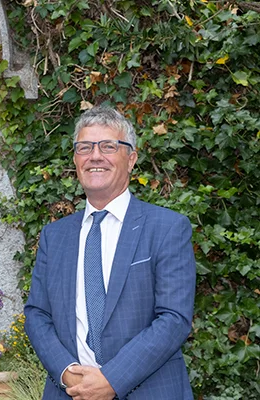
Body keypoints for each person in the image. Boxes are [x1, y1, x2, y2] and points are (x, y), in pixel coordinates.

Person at [24, 105, 196, 399]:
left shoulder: (167, 228)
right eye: (85, 147)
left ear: (131, 159)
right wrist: (66, 372)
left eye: (108, 146)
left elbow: (174, 318)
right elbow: (37, 314)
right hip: (70, 391)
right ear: (76, 160)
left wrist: (112, 379)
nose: (95, 156)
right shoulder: (55, 235)